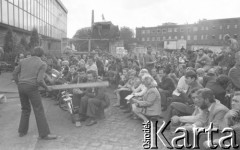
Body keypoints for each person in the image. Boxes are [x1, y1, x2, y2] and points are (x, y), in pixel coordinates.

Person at [12, 47, 57, 140]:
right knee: (38, 110)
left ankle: (22, 131)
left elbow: (14, 73)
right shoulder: (42, 63)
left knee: (25, 108)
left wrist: (18, 83)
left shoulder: (23, 61)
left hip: (21, 86)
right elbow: (39, 80)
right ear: (42, 55)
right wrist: (47, 87)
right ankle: (44, 134)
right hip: (32, 87)